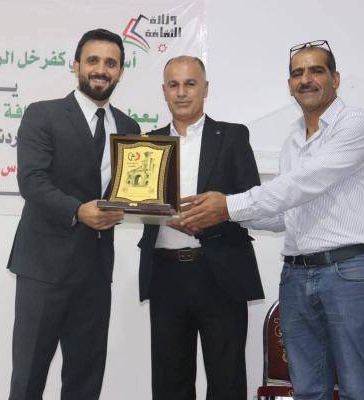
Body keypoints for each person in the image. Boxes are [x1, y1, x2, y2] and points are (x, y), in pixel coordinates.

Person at [181, 41, 364, 400]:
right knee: (306, 390)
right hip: (296, 275)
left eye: (316, 70)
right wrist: (214, 218)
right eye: (297, 73)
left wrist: (226, 206)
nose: (306, 79)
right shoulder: (294, 139)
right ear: (290, 84)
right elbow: (284, 213)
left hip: (349, 273)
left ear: (336, 78)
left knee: (356, 387)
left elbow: (300, 185)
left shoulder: (357, 124)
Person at [6, 28, 141, 400]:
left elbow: (131, 191)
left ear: (120, 72)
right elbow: (32, 181)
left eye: (110, 63)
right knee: (28, 379)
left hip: (95, 272)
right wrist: (78, 211)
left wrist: (135, 205)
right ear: (76, 65)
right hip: (43, 270)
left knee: (85, 381)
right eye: (93, 60)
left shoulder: (129, 128)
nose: (101, 69)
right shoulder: (43, 114)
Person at [137, 56, 264, 400]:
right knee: (169, 382)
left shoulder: (233, 136)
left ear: (205, 89)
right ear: (164, 91)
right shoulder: (146, 144)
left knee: (226, 381)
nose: (181, 92)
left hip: (219, 273)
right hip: (165, 275)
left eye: (190, 84)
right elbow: (134, 202)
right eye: (174, 85)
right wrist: (157, 212)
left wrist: (216, 212)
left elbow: (253, 201)